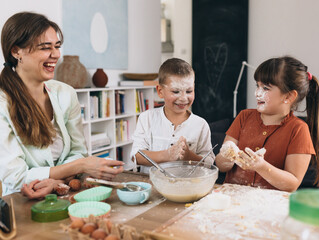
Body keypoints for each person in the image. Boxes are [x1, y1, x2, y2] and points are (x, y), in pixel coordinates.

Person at [0, 12, 124, 198]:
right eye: (45, 47)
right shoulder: (3, 103)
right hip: (22, 202)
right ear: (16, 51)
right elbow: (15, 176)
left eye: (57, 46)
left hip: (65, 192)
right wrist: (79, 166)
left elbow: (78, 151)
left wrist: (55, 181)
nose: (56, 54)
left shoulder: (66, 93)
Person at [215, 56, 319, 192]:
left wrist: (261, 167)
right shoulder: (244, 117)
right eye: (257, 86)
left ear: (288, 97)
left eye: (265, 88)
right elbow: (221, 166)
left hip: (270, 205)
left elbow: (292, 184)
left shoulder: (298, 130)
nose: (257, 93)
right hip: (232, 199)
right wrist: (226, 156)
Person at [130, 58, 215, 173]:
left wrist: (189, 156)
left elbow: (209, 163)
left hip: (187, 186)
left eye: (189, 91)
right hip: (151, 185)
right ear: (160, 91)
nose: (184, 98)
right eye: (176, 92)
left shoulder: (201, 125)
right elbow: (136, 156)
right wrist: (167, 155)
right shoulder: (147, 118)